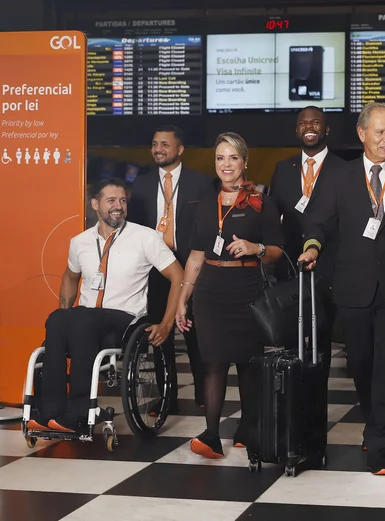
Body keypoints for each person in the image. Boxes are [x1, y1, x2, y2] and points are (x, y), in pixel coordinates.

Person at [298, 102, 385, 475]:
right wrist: (312, 246)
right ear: (362, 134)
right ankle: (374, 417)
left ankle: (378, 443)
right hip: (353, 288)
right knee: (361, 364)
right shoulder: (338, 177)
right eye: (379, 131)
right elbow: (319, 221)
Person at [28, 178, 183, 432]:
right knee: (57, 319)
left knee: (83, 320)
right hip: (86, 318)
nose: (118, 206)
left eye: (122, 200)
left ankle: (79, 411)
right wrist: (65, 312)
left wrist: (166, 324)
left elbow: (178, 275)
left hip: (126, 319)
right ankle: (50, 412)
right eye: (111, 200)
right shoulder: (80, 242)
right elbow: (70, 276)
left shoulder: (145, 237)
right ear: (95, 204)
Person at [175, 132, 284, 459]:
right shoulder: (203, 204)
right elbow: (195, 256)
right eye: (221, 158)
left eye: (233, 157)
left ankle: (248, 428)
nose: (226, 164)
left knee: (249, 365)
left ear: (245, 162)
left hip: (247, 288)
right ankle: (211, 434)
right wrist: (183, 298)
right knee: (213, 363)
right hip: (210, 290)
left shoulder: (261, 202)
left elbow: (278, 250)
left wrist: (255, 248)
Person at [129, 125, 214, 410]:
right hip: (155, 269)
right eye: (154, 144)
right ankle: (167, 397)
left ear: (180, 149)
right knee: (159, 331)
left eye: (164, 144)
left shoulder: (200, 182)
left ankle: (205, 395)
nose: (158, 149)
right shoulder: (140, 183)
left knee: (194, 331)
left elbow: (207, 227)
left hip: (190, 266)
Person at [268, 106, 348, 381]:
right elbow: (273, 218)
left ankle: (316, 403)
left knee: (321, 339)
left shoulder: (345, 170)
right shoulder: (282, 168)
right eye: (303, 123)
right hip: (291, 268)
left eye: (316, 122)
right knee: (291, 340)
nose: (309, 126)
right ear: (297, 129)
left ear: (326, 129)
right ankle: (294, 402)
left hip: (329, 268)